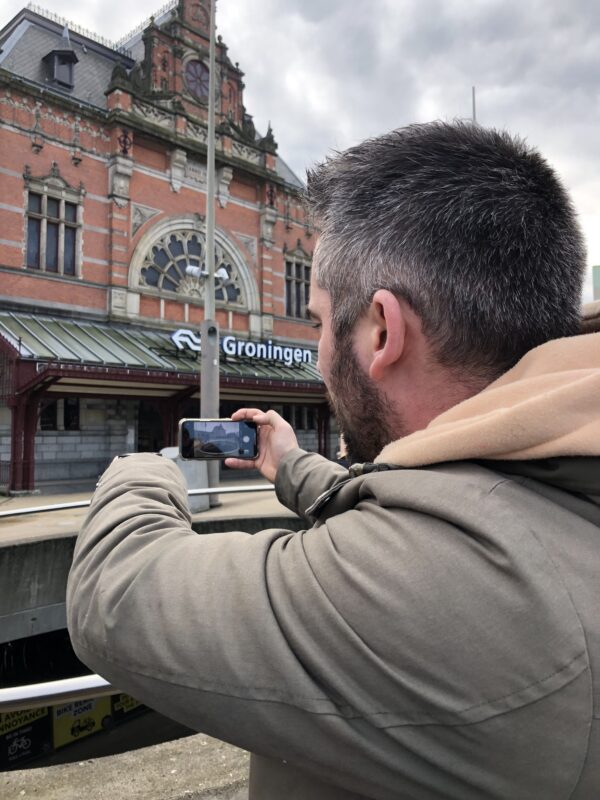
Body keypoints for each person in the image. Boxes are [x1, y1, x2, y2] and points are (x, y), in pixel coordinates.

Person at [66, 121, 600, 800]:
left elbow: (114, 589)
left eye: (319, 321)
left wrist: (146, 464)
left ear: (382, 330)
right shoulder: (543, 481)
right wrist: (291, 464)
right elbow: (436, 501)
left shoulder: (431, 587)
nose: (318, 352)